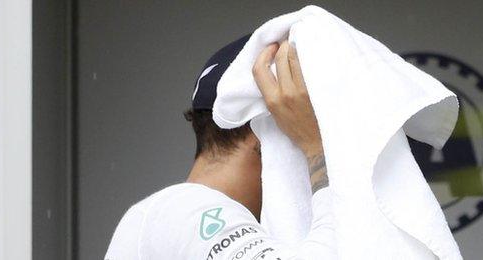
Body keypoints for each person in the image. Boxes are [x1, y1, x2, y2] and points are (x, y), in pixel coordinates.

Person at [105, 34, 336, 259]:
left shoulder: (170, 215)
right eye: (301, 126)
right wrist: (316, 148)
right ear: (265, 132)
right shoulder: (186, 209)